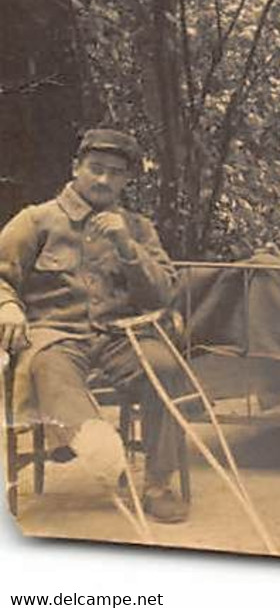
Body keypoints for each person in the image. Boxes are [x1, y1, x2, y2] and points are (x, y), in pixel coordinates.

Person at [0, 129, 189, 523]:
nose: (104, 180)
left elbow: (162, 295)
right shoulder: (36, 221)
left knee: (166, 368)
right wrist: (8, 306)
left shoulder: (136, 228)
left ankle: (157, 483)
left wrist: (126, 248)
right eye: (95, 169)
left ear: (126, 179)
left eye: (116, 173)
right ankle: (99, 448)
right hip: (57, 335)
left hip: (122, 334)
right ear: (76, 168)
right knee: (48, 369)